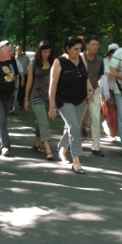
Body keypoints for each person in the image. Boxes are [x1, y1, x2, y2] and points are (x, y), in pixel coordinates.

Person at [49, 36, 95, 174]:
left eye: (80, 48)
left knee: (71, 127)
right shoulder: (59, 62)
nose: (78, 51)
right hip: (64, 100)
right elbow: (52, 86)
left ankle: (62, 150)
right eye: (75, 49)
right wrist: (52, 107)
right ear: (67, 49)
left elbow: (85, 77)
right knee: (74, 127)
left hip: (80, 99)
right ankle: (76, 161)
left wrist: (91, 89)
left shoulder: (81, 58)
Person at [24, 40, 55, 160]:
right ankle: (48, 149)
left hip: (48, 97)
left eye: (48, 52)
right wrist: (26, 99)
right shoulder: (33, 63)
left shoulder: (53, 63)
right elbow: (29, 82)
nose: (47, 54)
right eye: (44, 52)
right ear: (40, 51)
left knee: (43, 120)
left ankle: (36, 143)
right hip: (36, 95)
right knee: (44, 122)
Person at [81, 35, 105, 157]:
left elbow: (99, 75)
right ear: (87, 45)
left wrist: (92, 88)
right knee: (76, 119)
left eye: (97, 44)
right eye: (93, 44)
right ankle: (71, 142)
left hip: (94, 92)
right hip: (80, 93)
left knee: (96, 119)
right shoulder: (79, 58)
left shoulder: (100, 60)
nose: (95, 47)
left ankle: (96, 147)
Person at [101, 43, 119, 139]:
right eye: (112, 52)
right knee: (109, 111)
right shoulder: (104, 62)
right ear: (109, 53)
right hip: (106, 89)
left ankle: (111, 129)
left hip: (118, 89)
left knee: (116, 111)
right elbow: (104, 74)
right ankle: (112, 133)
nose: (114, 54)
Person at [15, 45, 30, 110]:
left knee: (24, 89)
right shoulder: (15, 58)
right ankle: (20, 103)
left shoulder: (26, 58)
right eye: (18, 49)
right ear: (16, 50)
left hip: (25, 75)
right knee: (19, 90)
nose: (19, 50)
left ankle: (24, 99)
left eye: (20, 49)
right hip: (18, 76)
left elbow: (30, 65)